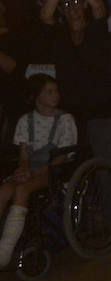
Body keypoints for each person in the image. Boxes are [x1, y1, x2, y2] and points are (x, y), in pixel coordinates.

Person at [0, 75, 78, 269]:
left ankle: (4, 253)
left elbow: (62, 156)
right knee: (4, 190)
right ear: (36, 96)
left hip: (55, 169)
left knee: (21, 190)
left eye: (56, 91)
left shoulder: (65, 120)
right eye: (49, 92)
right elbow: (24, 155)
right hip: (33, 168)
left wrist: (35, 173)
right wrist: (23, 169)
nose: (55, 95)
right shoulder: (25, 121)